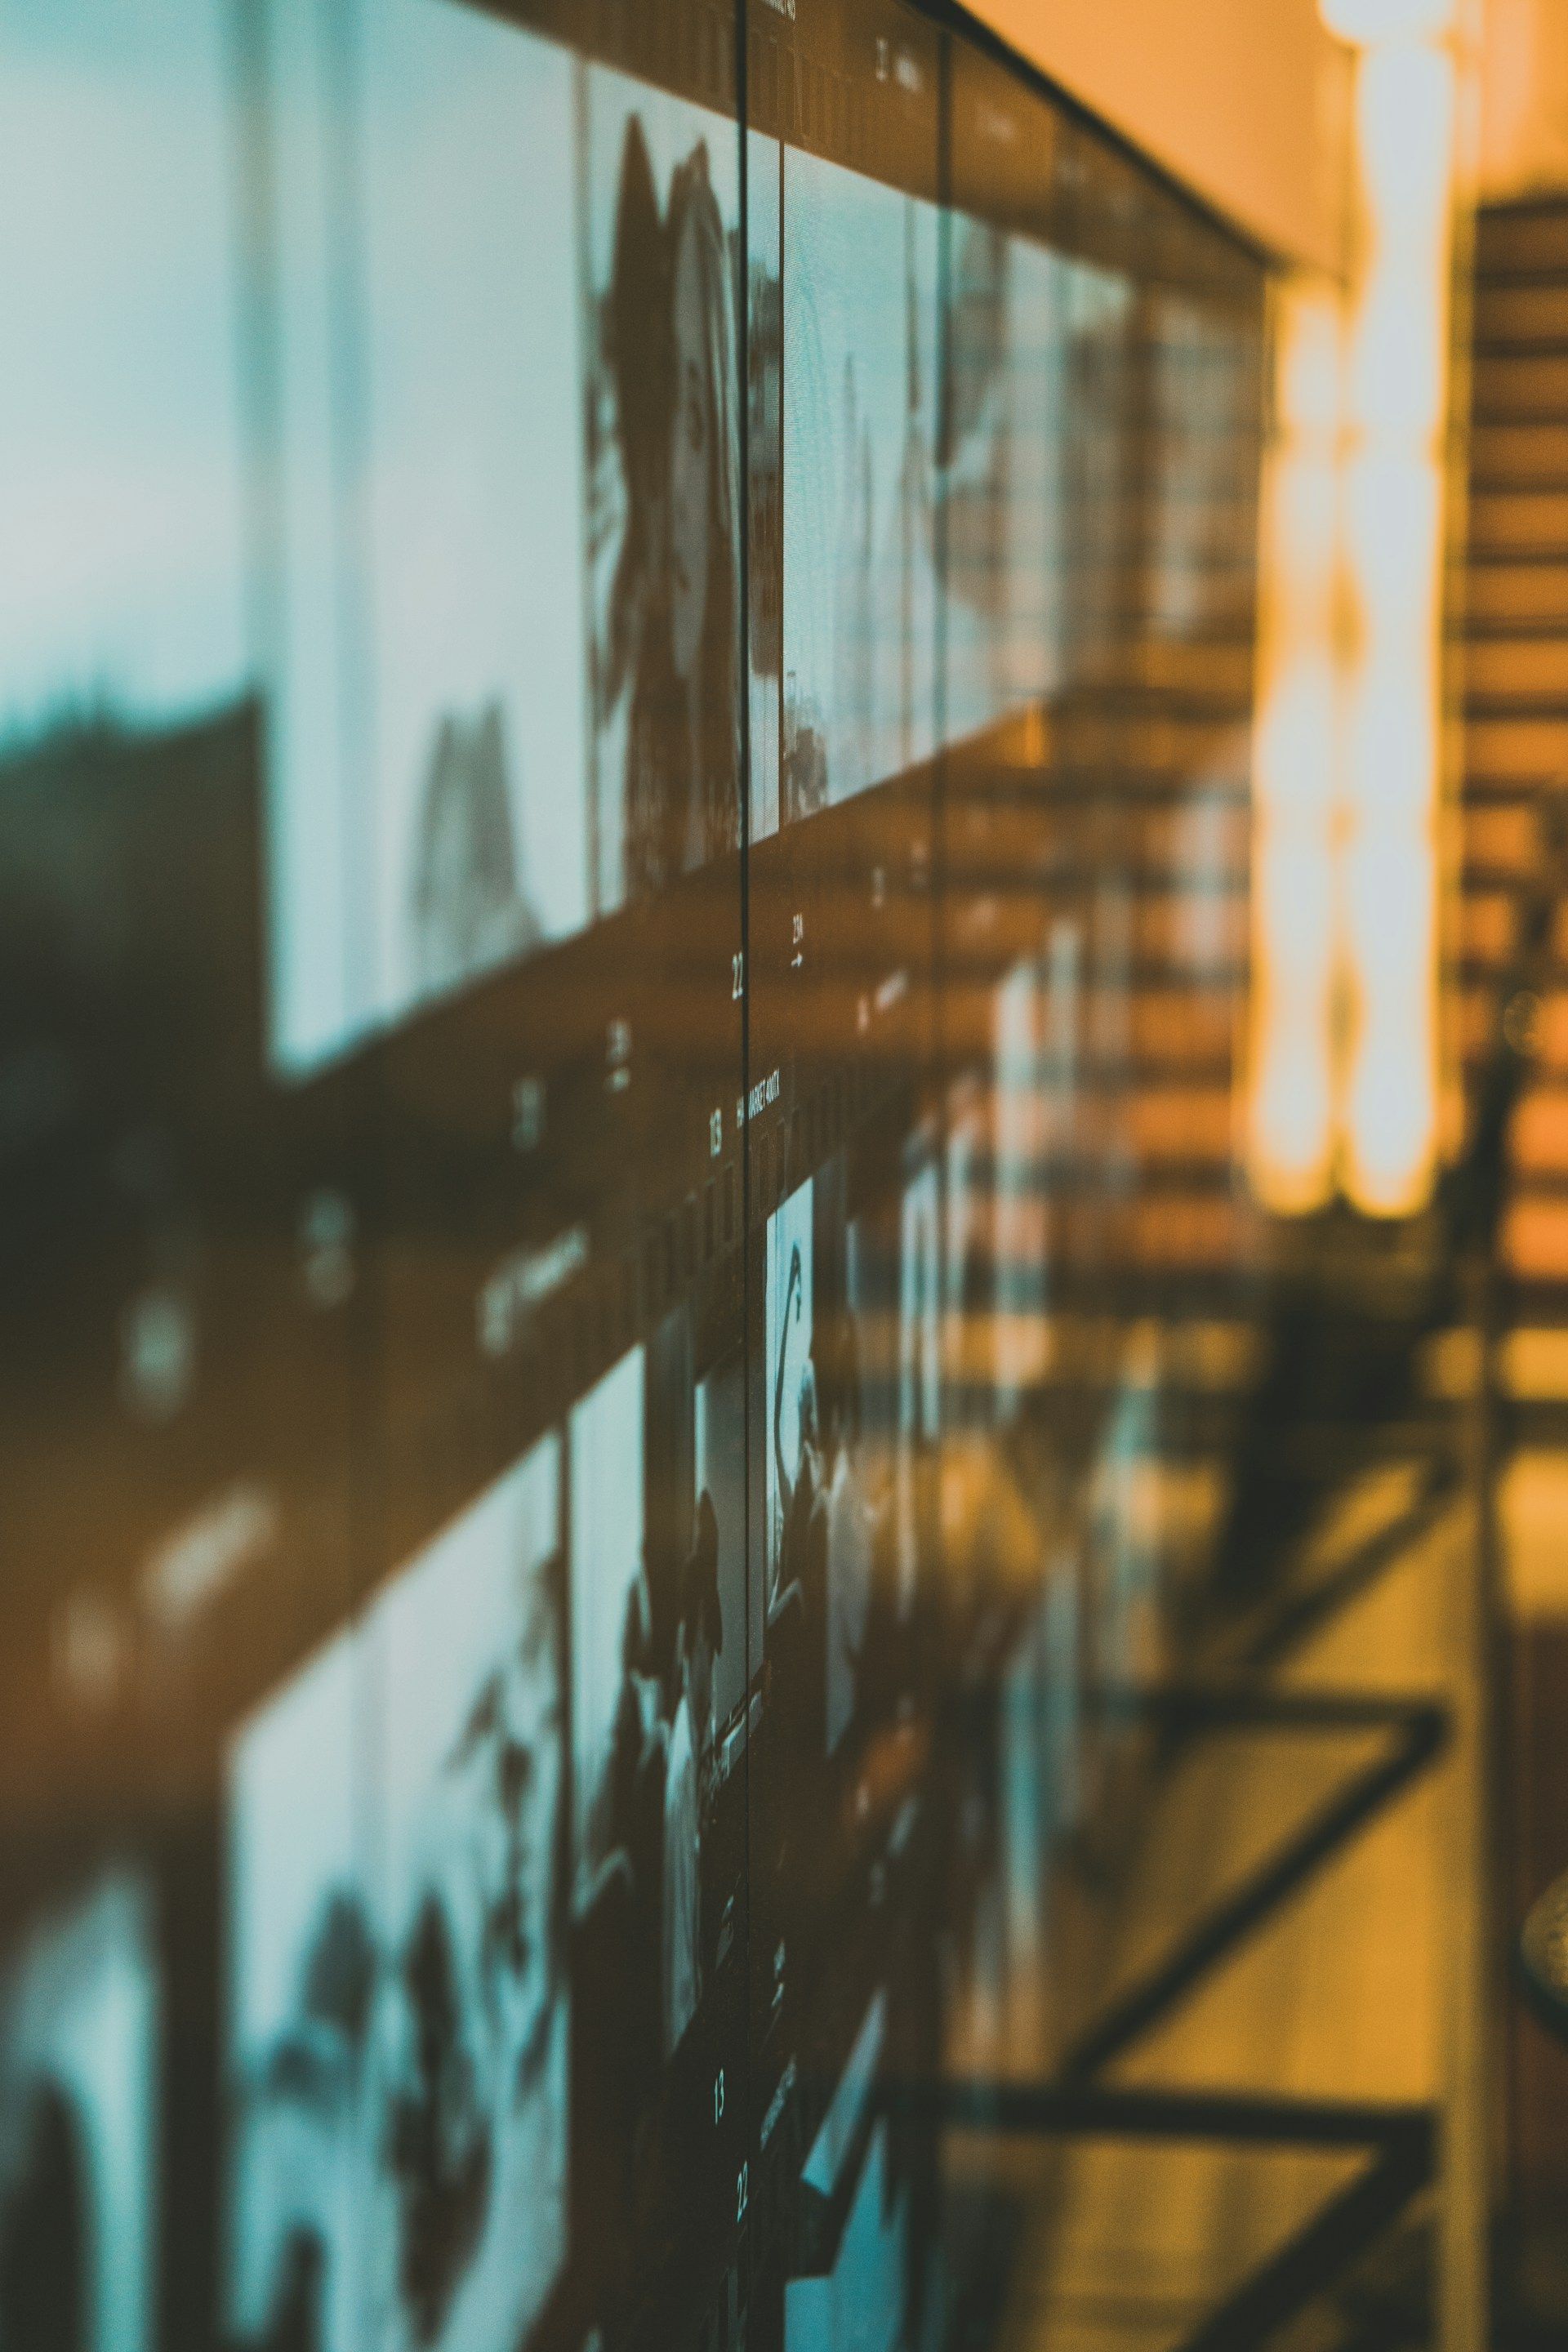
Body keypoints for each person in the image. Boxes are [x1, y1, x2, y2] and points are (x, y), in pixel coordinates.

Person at [408, 702, 540, 1001]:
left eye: (472, 815)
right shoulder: (427, 938)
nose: (452, 839)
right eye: (442, 820)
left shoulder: (514, 926)